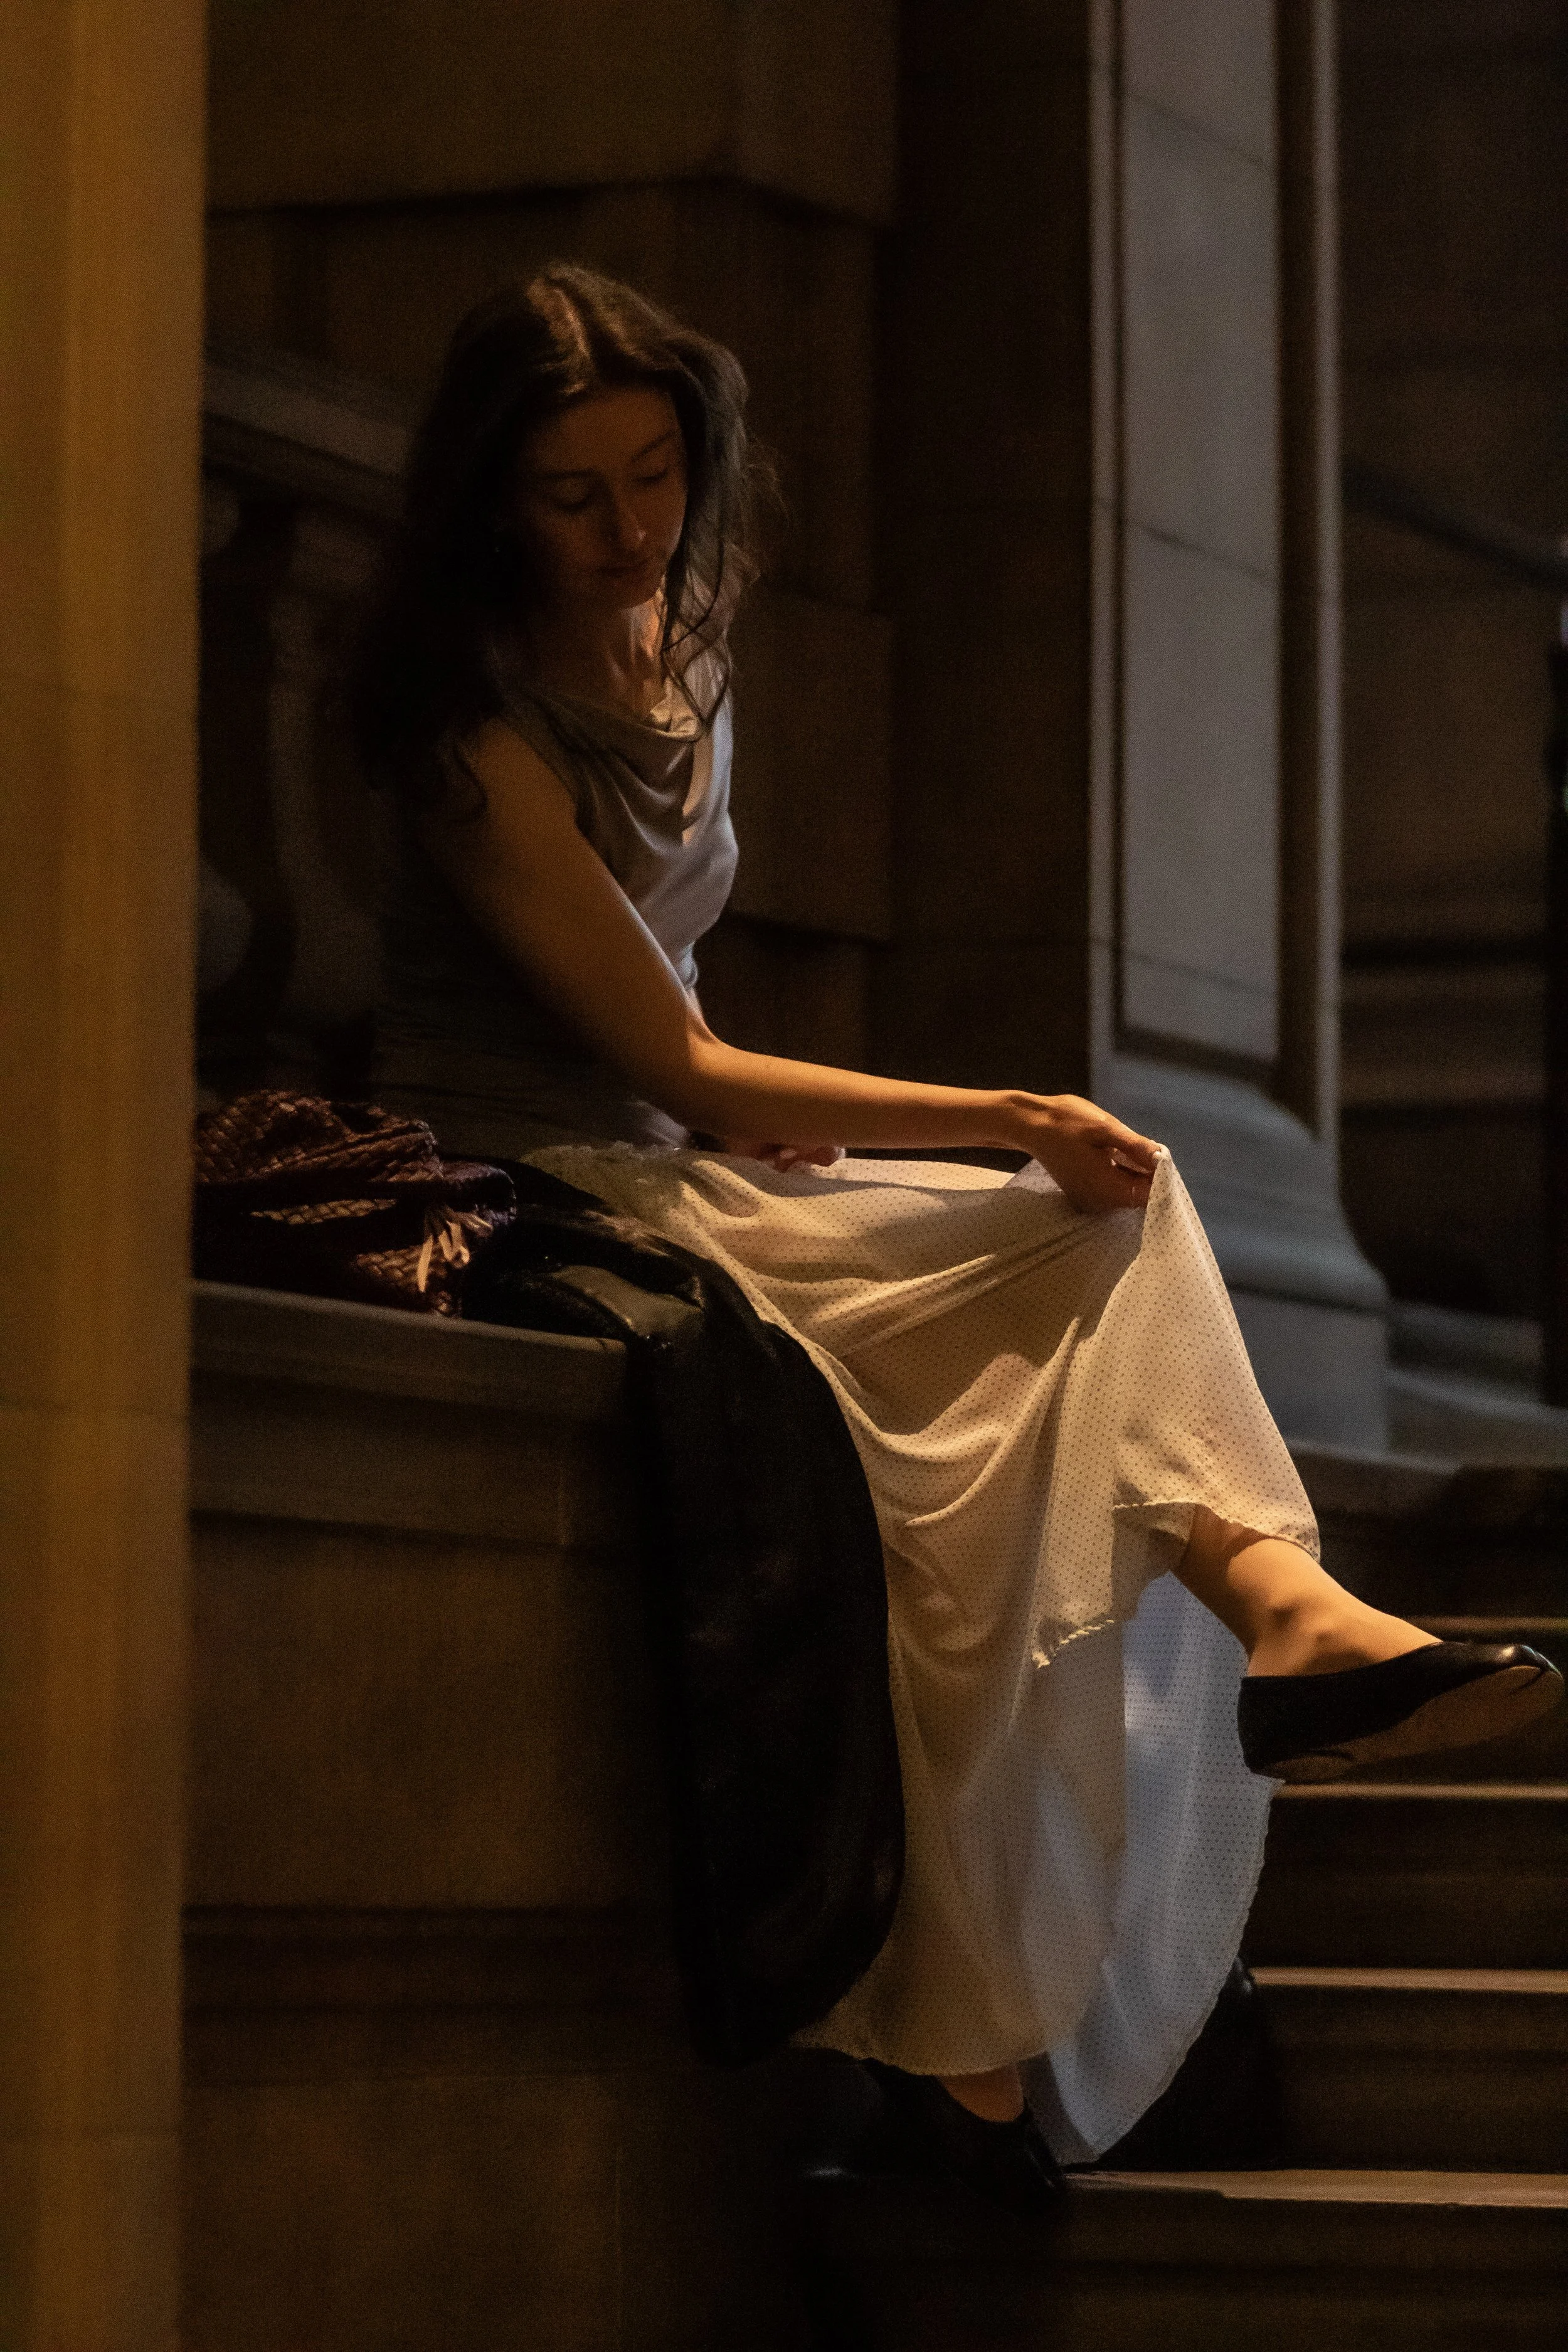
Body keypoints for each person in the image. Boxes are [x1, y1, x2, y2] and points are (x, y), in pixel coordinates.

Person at [352, 264, 1562, 2210]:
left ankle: (1264, 1642)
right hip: (540, 1173)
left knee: (1090, 1287)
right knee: (1049, 1276)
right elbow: (667, 1051)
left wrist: (818, 1155)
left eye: (654, 473)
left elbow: (694, 1006)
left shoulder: (680, 640)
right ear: (491, 497)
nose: (627, 525)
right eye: (573, 492)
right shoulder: (466, 735)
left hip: (696, 1151)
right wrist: (991, 1112)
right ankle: (1264, 1637)